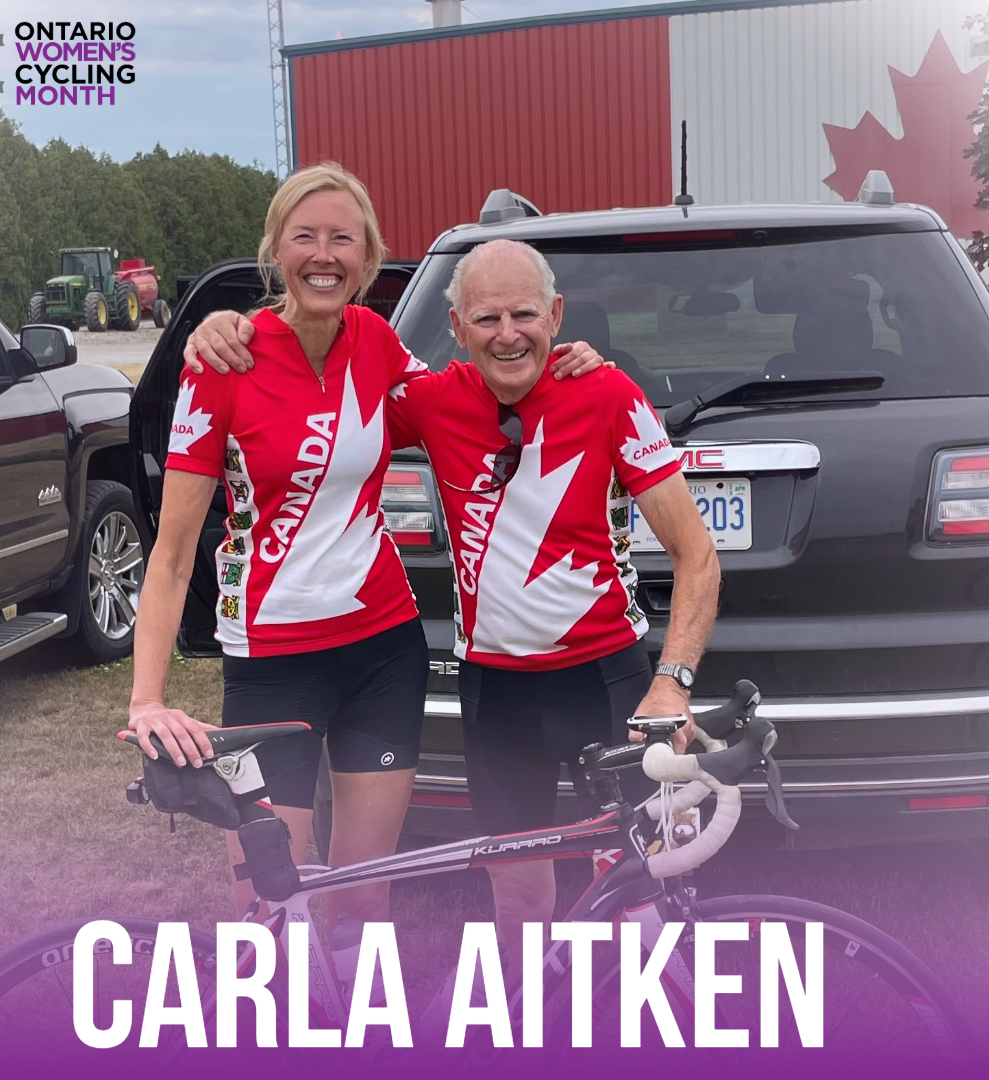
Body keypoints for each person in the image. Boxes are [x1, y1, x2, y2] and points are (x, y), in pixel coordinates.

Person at [189, 237, 720, 987]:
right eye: (488, 317)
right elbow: (318, 389)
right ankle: (531, 1030)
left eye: (526, 315)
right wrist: (225, 326)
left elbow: (697, 556)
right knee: (519, 887)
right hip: (496, 693)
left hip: (608, 680)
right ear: (459, 328)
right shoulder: (434, 402)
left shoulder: (609, 396)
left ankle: (672, 1034)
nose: (509, 334)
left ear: (557, 314)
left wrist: (673, 682)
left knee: (649, 881)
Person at [128, 164, 605, 932]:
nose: (325, 254)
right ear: (275, 251)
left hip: (382, 650)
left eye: (342, 238)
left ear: (369, 255)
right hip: (273, 661)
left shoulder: (376, 342)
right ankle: (279, 1046)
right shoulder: (225, 365)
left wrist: (568, 367)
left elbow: (475, 399)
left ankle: (351, 1043)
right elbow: (174, 553)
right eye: (305, 236)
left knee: (359, 894)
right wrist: (148, 697)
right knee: (265, 901)